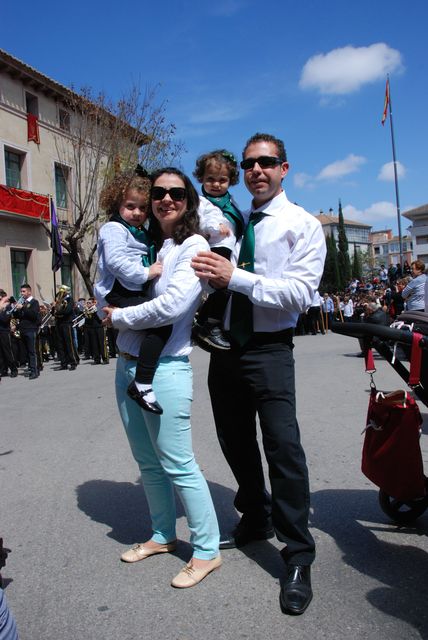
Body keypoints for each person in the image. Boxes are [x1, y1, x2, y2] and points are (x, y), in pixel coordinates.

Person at [191, 133, 326, 615]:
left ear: (284, 168)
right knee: (233, 439)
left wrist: (236, 279)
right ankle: (254, 515)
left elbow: (298, 294)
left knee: (283, 449)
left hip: (269, 349)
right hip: (224, 349)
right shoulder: (235, 218)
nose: (256, 171)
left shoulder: (302, 225)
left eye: (266, 163)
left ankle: (297, 555)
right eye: (249, 163)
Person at [101, 167, 221, 589]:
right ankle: (163, 535)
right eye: (158, 192)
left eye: (175, 192)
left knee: (178, 463)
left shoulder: (194, 245)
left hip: (166, 369)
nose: (165, 199)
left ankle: (207, 551)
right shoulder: (155, 244)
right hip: (127, 364)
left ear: (187, 200)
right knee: (148, 462)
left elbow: (171, 306)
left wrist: (118, 318)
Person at [95, 171, 168, 414]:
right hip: (117, 291)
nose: (137, 213)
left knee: (161, 321)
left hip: (130, 290)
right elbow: (116, 262)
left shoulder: (141, 231)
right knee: (161, 322)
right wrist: (146, 274)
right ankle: (143, 382)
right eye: (130, 206)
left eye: (142, 208)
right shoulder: (114, 228)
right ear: (116, 204)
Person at [191, 150, 243, 351]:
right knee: (224, 286)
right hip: (214, 247)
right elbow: (202, 221)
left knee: (228, 287)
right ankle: (210, 325)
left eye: (222, 180)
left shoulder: (230, 203)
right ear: (201, 179)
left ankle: (205, 323)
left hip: (228, 248)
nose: (216, 184)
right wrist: (215, 228)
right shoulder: (200, 201)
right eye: (210, 179)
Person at [12, 284, 40, 380]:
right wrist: (15, 309)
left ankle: (34, 371)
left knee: (32, 351)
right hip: (23, 330)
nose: (21, 293)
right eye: (21, 291)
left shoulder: (34, 302)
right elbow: (19, 317)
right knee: (27, 352)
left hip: (31, 329)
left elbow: (33, 315)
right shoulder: (23, 303)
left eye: (23, 291)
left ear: (29, 292)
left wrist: (23, 308)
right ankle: (31, 368)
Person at [52, 285, 79, 370]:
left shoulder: (69, 299)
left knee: (69, 344)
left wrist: (58, 312)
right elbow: (53, 313)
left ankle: (73, 362)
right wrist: (54, 307)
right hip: (59, 323)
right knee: (60, 344)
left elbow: (67, 311)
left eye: (62, 291)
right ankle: (63, 363)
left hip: (67, 323)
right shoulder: (58, 300)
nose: (61, 292)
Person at [0, 290, 18, 379]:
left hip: (4, 331)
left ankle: (14, 369)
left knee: (7, 351)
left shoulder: (8, 307)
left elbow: (4, 319)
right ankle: (3, 370)